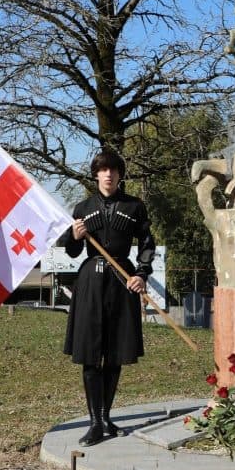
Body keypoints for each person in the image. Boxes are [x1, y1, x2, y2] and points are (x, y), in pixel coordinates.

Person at [62, 149, 155, 446]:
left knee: (114, 354)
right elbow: (72, 251)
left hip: (122, 280)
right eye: (103, 170)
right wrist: (74, 236)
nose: (108, 175)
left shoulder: (134, 206)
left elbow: (146, 242)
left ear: (119, 175)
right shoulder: (83, 207)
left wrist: (141, 273)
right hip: (90, 281)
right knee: (91, 355)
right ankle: (93, 423)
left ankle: (106, 417)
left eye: (113, 170)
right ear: (96, 174)